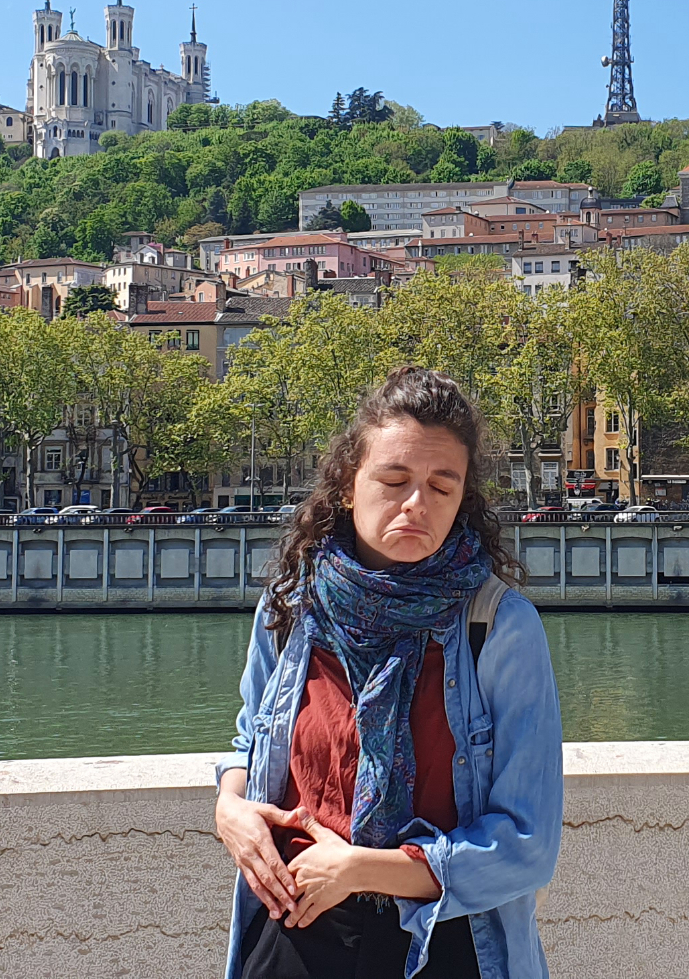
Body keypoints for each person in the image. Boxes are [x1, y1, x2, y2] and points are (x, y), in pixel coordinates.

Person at [215, 366, 563, 979]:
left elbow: (528, 846)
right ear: (349, 485)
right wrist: (230, 807)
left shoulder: (498, 627)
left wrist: (362, 869)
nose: (416, 505)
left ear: (464, 500)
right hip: (295, 930)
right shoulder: (293, 602)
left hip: (441, 944)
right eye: (394, 479)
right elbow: (250, 737)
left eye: (441, 486)